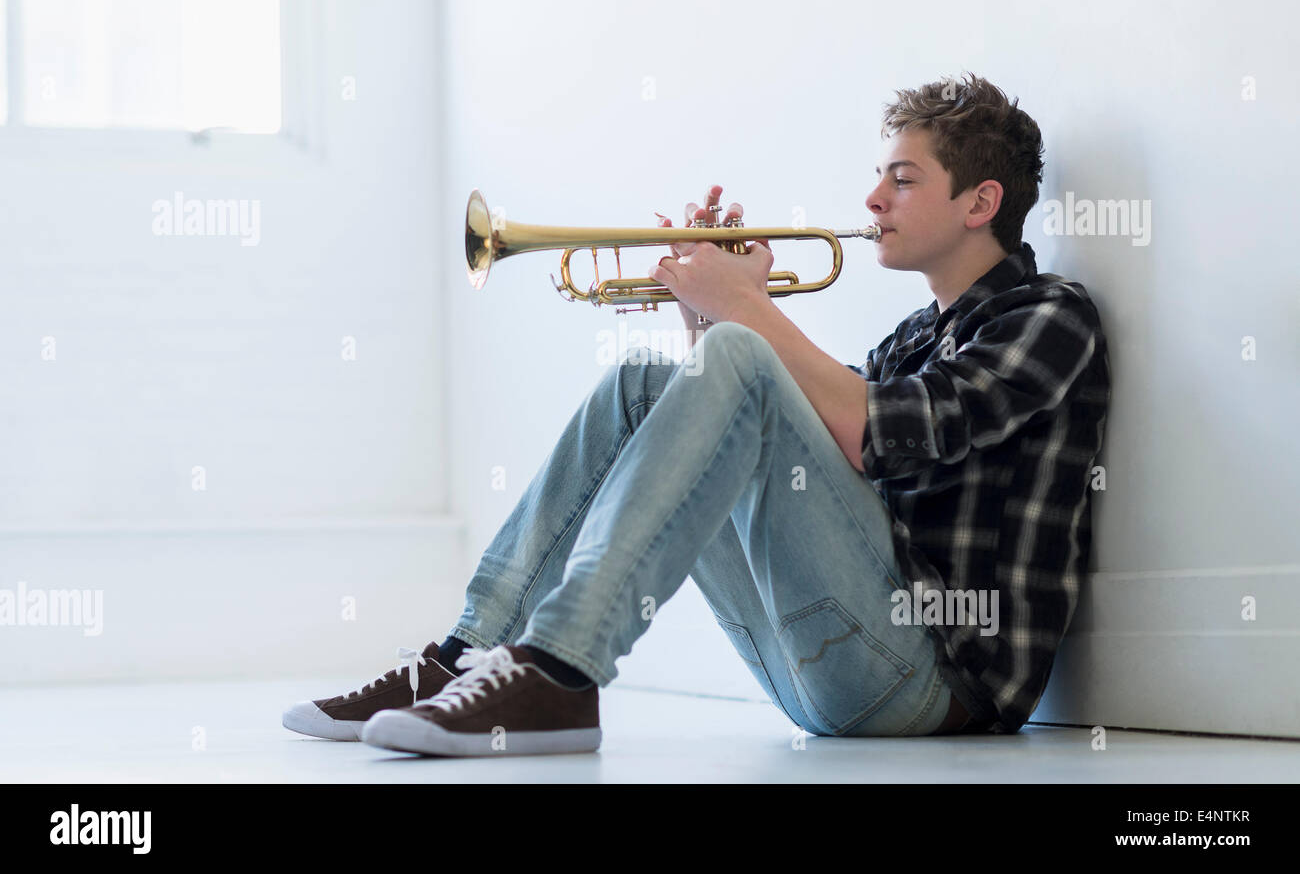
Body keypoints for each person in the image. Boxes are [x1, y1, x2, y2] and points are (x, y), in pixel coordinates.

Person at [282, 72, 1110, 757]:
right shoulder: (911, 337)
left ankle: (560, 673)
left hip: (932, 683)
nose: (873, 196)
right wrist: (709, 315)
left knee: (742, 357)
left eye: (903, 178)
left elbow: (877, 433)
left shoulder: (1051, 315)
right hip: (823, 661)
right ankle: (460, 656)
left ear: (980, 202)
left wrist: (745, 309)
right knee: (646, 379)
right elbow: (793, 441)